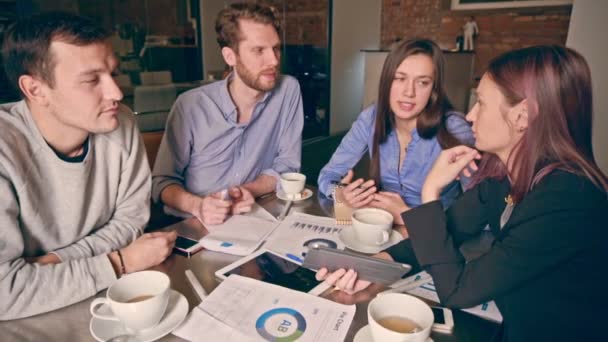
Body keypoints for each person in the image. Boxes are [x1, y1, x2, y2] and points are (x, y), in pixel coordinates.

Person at [317, 45, 608, 341]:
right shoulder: (504, 178)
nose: (470, 115)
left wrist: (431, 190)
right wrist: (372, 269)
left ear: (522, 116)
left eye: (480, 103)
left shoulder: (567, 199)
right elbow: (450, 228)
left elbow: (457, 290)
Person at [0, 12, 177, 320]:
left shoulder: (120, 121)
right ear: (35, 90)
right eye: (91, 80)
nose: (116, 94)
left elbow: (130, 221)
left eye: (113, 74)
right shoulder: (6, 149)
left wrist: (54, 261)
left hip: (99, 301)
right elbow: (6, 292)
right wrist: (119, 262)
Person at [152, 3, 304, 225]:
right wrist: (199, 206)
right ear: (230, 56)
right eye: (258, 50)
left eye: (276, 48)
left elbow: (288, 165)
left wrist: (247, 190)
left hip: (252, 217)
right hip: (191, 225)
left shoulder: (287, 90)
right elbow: (162, 183)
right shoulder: (191, 105)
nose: (274, 61)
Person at [317, 39, 474, 224]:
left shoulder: (454, 128)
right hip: (383, 228)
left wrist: (406, 215)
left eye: (422, 82)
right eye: (400, 79)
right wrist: (340, 194)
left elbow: (478, 211)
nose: (409, 92)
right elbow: (328, 175)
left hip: (438, 236)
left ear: (434, 89)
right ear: (387, 80)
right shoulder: (371, 118)